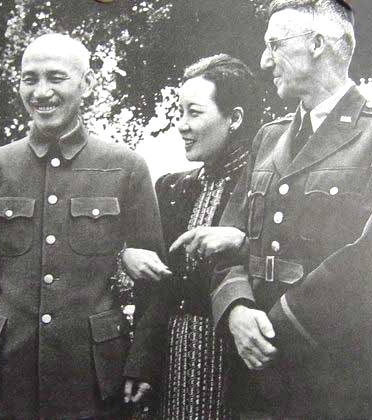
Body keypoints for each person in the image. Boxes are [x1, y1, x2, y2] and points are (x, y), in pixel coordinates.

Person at [0, 33, 164, 419]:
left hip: (98, 381)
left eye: (56, 77)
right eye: (29, 78)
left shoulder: (126, 167)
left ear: (87, 83)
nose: (41, 92)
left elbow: (153, 281)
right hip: (11, 378)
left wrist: (142, 362)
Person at [211, 0, 372, 417]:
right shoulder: (268, 139)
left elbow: (369, 255)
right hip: (254, 376)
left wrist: (278, 324)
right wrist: (236, 309)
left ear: (318, 44)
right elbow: (227, 238)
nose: (265, 61)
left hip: (338, 377)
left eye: (274, 45)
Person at [122, 54, 261, 419]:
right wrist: (142, 364)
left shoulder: (265, 187)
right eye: (178, 112)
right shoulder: (170, 188)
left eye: (194, 113)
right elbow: (153, 292)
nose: (181, 125)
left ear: (235, 119)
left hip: (236, 366)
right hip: (172, 364)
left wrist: (241, 242)